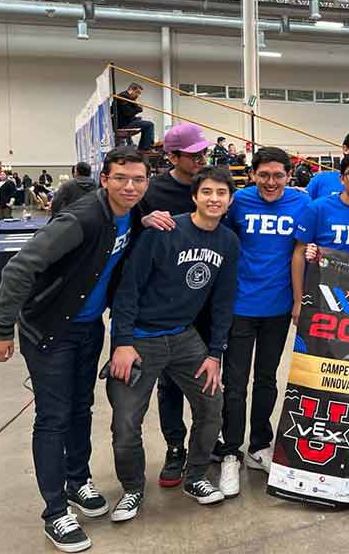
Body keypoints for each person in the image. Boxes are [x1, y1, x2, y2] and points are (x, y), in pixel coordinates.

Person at [0, 147, 148, 553]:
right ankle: (55, 512)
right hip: (51, 331)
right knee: (53, 418)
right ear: (104, 179)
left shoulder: (133, 214)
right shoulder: (82, 218)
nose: (129, 186)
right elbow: (20, 267)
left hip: (88, 327)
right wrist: (2, 329)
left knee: (81, 409)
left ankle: (78, 481)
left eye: (138, 179)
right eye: (120, 178)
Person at [108, 165, 239, 521]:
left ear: (230, 201)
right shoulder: (164, 231)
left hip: (184, 337)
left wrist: (214, 354)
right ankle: (133, 489)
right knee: (125, 422)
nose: (214, 199)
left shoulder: (228, 241)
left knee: (212, 406)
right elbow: (128, 289)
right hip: (139, 340)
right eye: (207, 192)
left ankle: (195, 476)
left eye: (221, 193)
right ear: (195, 196)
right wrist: (122, 341)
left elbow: (223, 302)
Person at [216, 148, 310, 497]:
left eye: (278, 175)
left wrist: (299, 302)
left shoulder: (300, 204)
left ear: (289, 175)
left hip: (279, 307)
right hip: (240, 306)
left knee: (267, 379)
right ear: (253, 174)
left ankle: (259, 446)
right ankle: (230, 452)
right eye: (264, 175)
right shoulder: (238, 201)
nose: (271, 182)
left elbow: (305, 250)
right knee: (235, 382)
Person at [137, 122, 211, 488]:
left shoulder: (214, 184)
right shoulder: (154, 191)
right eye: (192, 154)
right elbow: (133, 238)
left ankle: (205, 446)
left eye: (203, 153)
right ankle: (175, 446)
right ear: (172, 156)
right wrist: (143, 220)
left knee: (208, 380)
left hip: (206, 301)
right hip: (166, 304)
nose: (200, 159)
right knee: (168, 383)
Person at [292, 150, 349, 321]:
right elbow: (298, 253)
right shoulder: (318, 208)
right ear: (341, 178)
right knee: (314, 348)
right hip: (319, 296)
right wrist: (298, 300)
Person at [115, 82, 155, 152]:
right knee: (149, 124)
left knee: (142, 122)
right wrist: (138, 108)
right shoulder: (123, 97)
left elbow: (131, 111)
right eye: (137, 92)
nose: (138, 95)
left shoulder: (127, 97)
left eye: (139, 93)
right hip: (123, 124)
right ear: (131, 90)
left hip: (125, 121)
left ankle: (144, 146)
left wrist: (137, 108)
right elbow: (128, 113)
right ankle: (145, 148)